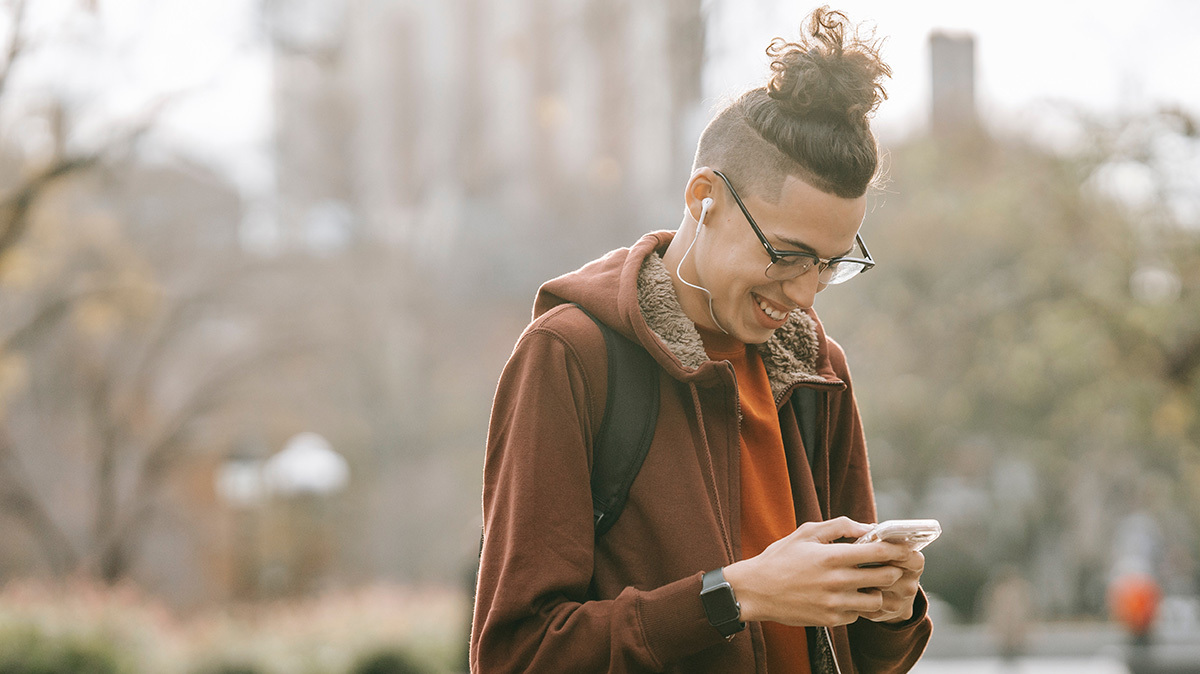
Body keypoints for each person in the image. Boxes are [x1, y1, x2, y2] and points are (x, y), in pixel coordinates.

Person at [472, 7, 932, 673]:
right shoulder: (571, 356)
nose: (805, 295)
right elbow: (518, 655)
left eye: (831, 264)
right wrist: (735, 594)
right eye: (786, 254)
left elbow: (861, 658)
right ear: (702, 198)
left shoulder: (817, 372)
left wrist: (891, 609)